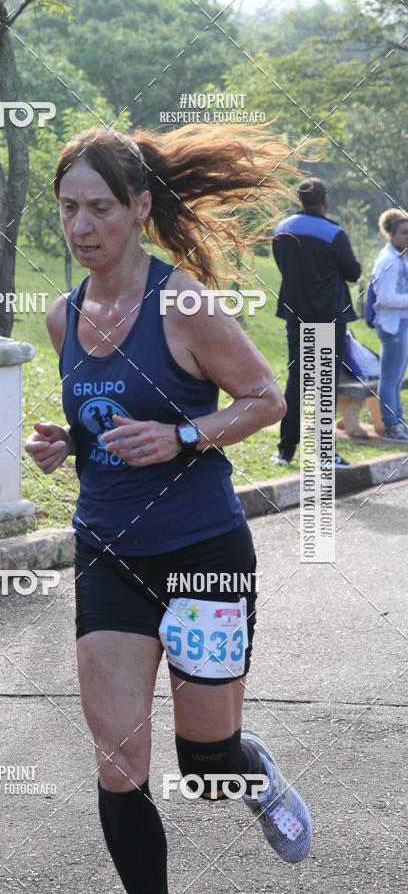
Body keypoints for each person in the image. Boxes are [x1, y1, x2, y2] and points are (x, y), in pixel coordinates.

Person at [25, 125, 312, 894]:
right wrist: (69, 442)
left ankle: (255, 779)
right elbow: (106, 426)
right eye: (68, 209)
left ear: (140, 207)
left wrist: (184, 433)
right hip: (109, 554)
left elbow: (265, 398)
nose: (81, 227)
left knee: (206, 765)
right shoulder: (63, 316)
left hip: (203, 557)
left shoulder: (180, 299)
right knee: (119, 761)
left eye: (100, 209)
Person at [272, 177, 361, 469]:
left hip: (295, 316)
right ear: (325, 200)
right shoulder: (334, 233)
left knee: (296, 381)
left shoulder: (282, 229)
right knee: (325, 385)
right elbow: (353, 272)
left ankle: (284, 452)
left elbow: (282, 265)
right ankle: (325, 455)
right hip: (329, 317)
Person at [370, 209, 408, 441]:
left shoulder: (400, 257)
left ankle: (399, 421)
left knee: (396, 377)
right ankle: (391, 425)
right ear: (391, 234)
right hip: (392, 326)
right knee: (390, 377)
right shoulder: (388, 261)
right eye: (404, 233)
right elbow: (385, 298)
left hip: (401, 322)